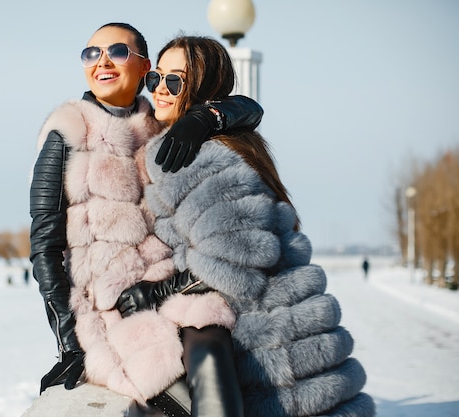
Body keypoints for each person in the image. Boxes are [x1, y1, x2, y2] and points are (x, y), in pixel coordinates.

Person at [116, 36, 376, 416]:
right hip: (290, 339)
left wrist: (154, 294)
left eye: (176, 81)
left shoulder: (195, 155)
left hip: (270, 347)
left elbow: (236, 258)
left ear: (204, 89)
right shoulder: (230, 140)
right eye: (156, 79)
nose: (161, 91)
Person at [29, 22, 263, 407]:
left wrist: (204, 118)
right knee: (182, 398)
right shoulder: (68, 131)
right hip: (111, 309)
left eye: (117, 52)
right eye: (91, 54)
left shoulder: (161, 123)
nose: (102, 62)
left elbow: (250, 109)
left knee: (217, 350)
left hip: (169, 290)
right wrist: (70, 344)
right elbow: (44, 246)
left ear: (144, 67)